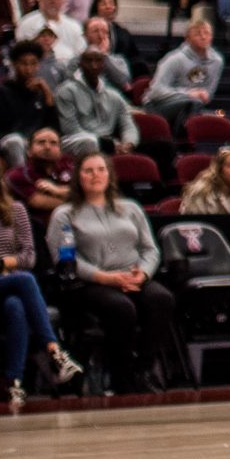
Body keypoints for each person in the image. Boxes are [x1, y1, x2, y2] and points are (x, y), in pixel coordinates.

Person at [50, 152, 178, 391]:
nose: (95, 175)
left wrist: (144, 274)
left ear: (110, 175)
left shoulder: (131, 208)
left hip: (132, 276)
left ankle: (144, 369)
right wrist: (104, 277)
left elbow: (151, 249)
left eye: (101, 169)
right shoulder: (65, 214)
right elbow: (64, 259)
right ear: (78, 177)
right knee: (122, 308)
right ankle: (122, 375)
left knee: (162, 299)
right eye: (88, 170)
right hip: (90, 283)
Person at [0, 167, 81, 408]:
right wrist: (6, 266)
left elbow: (29, 257)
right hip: (12, 280)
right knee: (25, 280)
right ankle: (55, 352)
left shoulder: (15, 210)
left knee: (16, 306)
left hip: (6, 285)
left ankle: (15, 384)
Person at [144, 15, 224, 122]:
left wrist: (202, 95)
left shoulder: (217, 61)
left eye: (207, 33)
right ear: (187, 38)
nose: (203, 37)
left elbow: (208, 93)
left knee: (215, 117)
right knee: (192, 102)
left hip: (194, 105)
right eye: (198, 34)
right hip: (157, 105)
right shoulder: (174, 59)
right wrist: (187, 93)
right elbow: (156, 91)